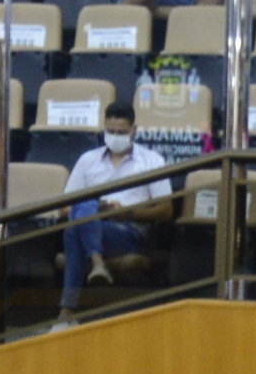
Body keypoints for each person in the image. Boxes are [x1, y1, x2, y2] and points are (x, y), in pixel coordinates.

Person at [58, 102, 173, 317]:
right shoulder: (88, 160)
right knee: (84, 208)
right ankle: (96, 262)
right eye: (110, 132)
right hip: (93, 224)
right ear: (104, 128)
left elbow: (166, 210)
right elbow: (65, 209)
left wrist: (127, 213)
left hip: (128, 230)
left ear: (134, 130)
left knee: (75, 229)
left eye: (121, 133)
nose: (115, 137)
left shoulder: (152, 161)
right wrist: (96, 208)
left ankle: (67, 310)